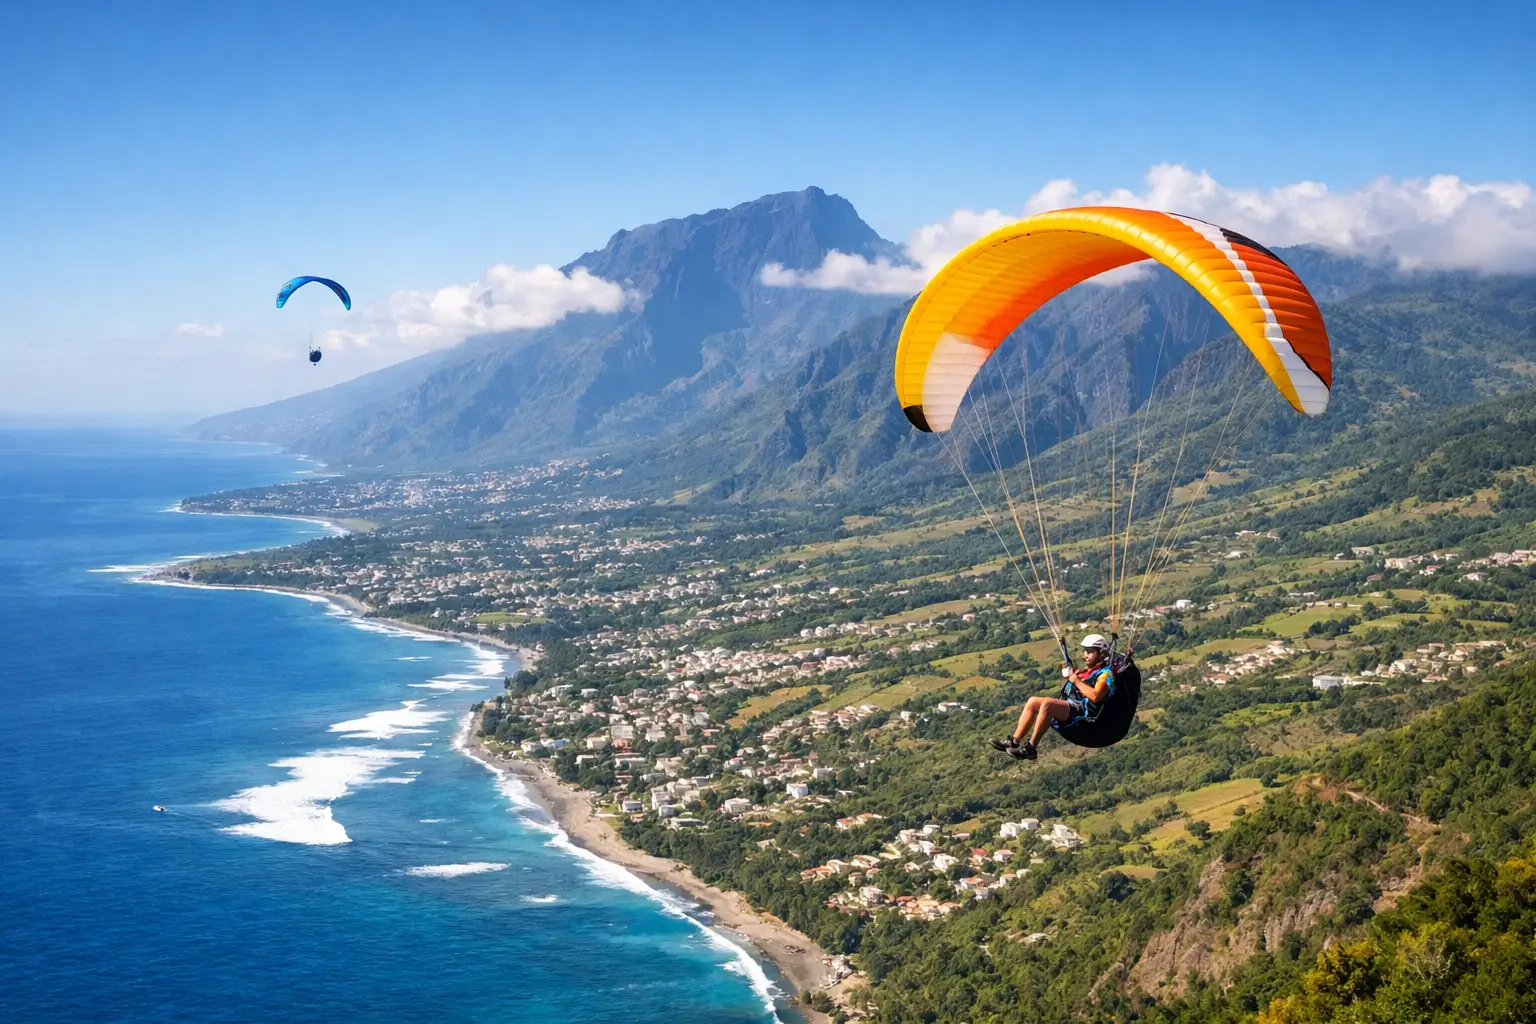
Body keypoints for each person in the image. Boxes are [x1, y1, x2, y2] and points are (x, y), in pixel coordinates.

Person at [991, 634, 1118, 761]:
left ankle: (1031, 748)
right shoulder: (1087, 671)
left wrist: (1076, 681)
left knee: (1048, 704)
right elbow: (1075, 686)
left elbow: (1096, 696)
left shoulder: (1105, 675)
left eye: (1090, 652)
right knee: (1033, 701)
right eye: (1085, 651)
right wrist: (1070, 677)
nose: (1085, 654)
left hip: (1085, 714)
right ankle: (1014, 741)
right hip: (1073, 705)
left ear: (1101, 653)